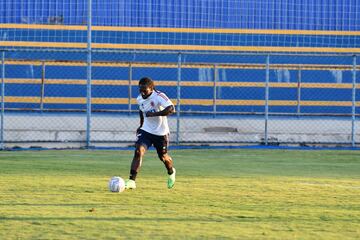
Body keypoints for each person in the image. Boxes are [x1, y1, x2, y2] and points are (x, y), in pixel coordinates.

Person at [125, 77, 176, 190]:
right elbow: (141, 111)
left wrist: (155, 114)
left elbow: (171, 109)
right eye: (140, 90)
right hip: (146, 131)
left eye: (145, 90)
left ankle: (171, 172)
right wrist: (141, 125)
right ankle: (132, 181)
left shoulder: (159, 96)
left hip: (161, 133)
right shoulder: (139, 98)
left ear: (151, 88)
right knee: (138, 151)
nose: (142, 92)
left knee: (163, 157)